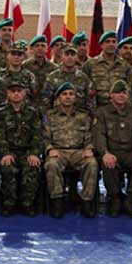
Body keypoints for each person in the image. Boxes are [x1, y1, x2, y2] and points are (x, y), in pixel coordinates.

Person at [94, 80, 132, 217]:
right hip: (111, 151)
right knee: (108, 164)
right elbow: (99, 135)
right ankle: (115, 199)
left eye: (124, 93)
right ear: (111, 95)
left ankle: (130, 199)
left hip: (130, 152)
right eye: (118, 93)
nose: (121, 96)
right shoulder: (102, 112)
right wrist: (104, 153)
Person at [43, 83, 98, 217]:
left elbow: (90, 136)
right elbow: (44, 137)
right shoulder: (50, 116)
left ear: (75, 97)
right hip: (58, 151)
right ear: (58, 97)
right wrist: (50, 149)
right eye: (64, 94)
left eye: (71, 94)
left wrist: (89, 149)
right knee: (51, 164)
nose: (68, 97)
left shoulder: (83, 116)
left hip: (78, 152)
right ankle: (57, 201)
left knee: (92, 163)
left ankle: (86, 201)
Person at [0, 79, 43, 217]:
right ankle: (9, 203)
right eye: (13, 91)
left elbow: (38, 135)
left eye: (19, 91)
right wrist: (4, 153)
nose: (16, 94)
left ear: (25, 93)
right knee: (8, 167)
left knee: (32, 166)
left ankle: (27, 204)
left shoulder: (33, 112)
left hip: (27, 152)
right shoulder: (1, 113)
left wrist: (34, 153)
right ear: (7, 94)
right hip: (9, 151)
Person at [0, 41, 38, 112]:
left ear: (24, 57)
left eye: (19, 54)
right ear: (7, 55)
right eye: (13, 54)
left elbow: (34, 99)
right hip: (2, 116)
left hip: (25, 117)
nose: (16, 57)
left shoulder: (30, 77)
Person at [43, 45, 96, 114]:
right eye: (66, 54)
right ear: (61, 56)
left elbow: (91, 101)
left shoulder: (84, 78)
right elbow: (45, 102)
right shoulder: (52, 77)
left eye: (73, 55)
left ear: (76, 57)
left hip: (79, 119)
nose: (70, 58)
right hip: (57, 119)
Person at [84, 31, 130, 108]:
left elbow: (129, 88)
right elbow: (84, 86)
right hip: (97, 108)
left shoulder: (124, 65)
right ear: (101, 45)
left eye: (114, 41)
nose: (111, 44)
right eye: (107, 41)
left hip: (118, 108)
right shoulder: (90, 64)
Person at [23, 35, 59, 110]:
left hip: (48, 107)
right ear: (32, 48)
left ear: (47, 49)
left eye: (43, 46)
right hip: (29, 107)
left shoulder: (54, 67)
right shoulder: (25, 66)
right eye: (37, 46)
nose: (40, 48)